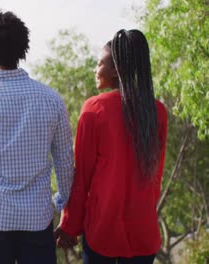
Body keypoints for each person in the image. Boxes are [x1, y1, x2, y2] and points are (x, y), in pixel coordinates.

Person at [0, 9, 75, 264]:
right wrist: (65, 209)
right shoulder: (52, 100)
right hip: (38, 220)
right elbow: (65, 163)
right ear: (23, 47)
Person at [56, 29, 168, 264]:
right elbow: (155, 177)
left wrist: (70, 225)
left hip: (101, 231)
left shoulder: (95, 109)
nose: (96, 70)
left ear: (116, 70)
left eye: (99, 64)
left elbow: (82, 176)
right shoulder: (157, 112)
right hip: (143, 232)